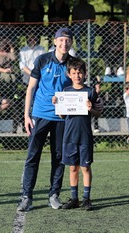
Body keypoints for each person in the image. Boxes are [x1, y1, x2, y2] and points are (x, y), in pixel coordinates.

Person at [17, 27, 74, 212]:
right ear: (55, 41)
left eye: (67, 40)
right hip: (40, 115)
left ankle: (54, 194)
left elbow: (78, 89)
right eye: (61, 40)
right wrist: (27, 115)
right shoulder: (42, 59)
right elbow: (31, 88)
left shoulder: (74, 63)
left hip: (62, 118)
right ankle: (27, 196)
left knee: (58, 157)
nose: (64, 43)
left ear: (71, 43)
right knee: (33, 156)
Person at [52, 57, 102, 211]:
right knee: (72, 168)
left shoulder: (90, 92)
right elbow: (61, 115)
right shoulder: (66, 92)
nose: (77, 75)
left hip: (85, 136)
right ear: (69, 74)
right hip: (69, 136)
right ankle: (74, 199)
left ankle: (86, 199)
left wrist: (90, 109)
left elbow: (98, 113)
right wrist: (57, 104)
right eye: (74, 72)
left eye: (80, 72)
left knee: (85, 168)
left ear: (84, 74)